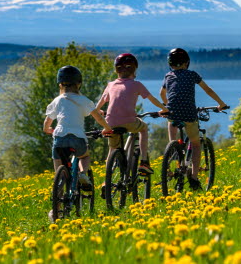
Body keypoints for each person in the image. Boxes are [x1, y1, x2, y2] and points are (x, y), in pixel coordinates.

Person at [159, 48, 228, 191]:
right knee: (196, 144)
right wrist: (220, 104)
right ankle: (194, 179)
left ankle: (173, 149)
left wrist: (167, 106)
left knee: (172, 123)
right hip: (189, 113)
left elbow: (162, 93)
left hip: (172, 113)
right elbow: (208, 90)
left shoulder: (168, 76)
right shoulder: (192, 75)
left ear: (170, 64)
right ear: (187, 63)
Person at [95, 53, 169, 176]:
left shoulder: (110, 85)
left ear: (116, 70)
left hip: (110, 124)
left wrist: (100, 111)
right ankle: (144, 161)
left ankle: (106, 181)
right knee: (144, 128)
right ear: (134, 69)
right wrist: (164, 108)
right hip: (130, 121)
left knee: (112, 149)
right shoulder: (137, 85)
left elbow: (100, 104)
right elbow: (152, 99)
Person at [43, 65, 113, 193]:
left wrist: (48, 129)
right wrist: (107, 128)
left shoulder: (57, 100)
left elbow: (47, 121)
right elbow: (98, 118)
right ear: (78, 84)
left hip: (59, 139)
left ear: (60, 84)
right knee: (84, 156)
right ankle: (83, 173)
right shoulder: (83, 100)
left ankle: (56, 209)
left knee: (59, 176)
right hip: (78, 138)